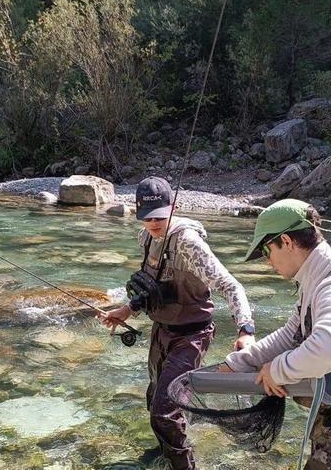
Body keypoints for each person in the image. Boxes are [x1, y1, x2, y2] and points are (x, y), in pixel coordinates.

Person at [221, 199, 331, 469]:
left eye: (265, 249)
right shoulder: (315, 278)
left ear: (286, 241)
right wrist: (236, 364)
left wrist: (278, 370)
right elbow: (289, 335)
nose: (267, 260)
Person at [100, 176, 256, 470]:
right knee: (154, 399)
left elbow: (232, 287)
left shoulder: (188, 243)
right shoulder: (145, 239)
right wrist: (127, 309)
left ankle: (185, 465)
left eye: (160, 216)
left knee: (164, 410)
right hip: (162, 331)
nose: (154, 223)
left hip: (192, 334)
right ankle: (166, 452)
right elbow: (155, 288)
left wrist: (246, 329)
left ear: (174, 207)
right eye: (147, 218)